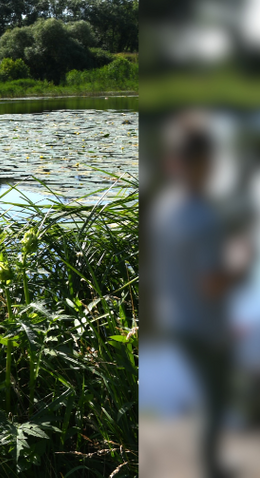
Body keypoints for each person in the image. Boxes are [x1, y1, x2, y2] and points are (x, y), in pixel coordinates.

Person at [151, 112, 250, 478]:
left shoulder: (166, 207)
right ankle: (212, 468)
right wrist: (240, 263)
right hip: (205, 325)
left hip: (175, 317)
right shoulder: (204, 217)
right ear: (206, 163)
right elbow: (211, 284)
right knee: (216, 399)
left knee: (203, 393)